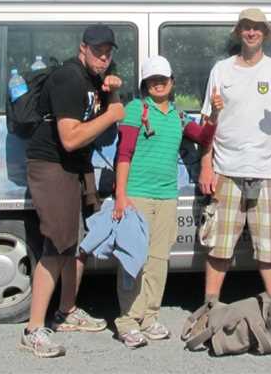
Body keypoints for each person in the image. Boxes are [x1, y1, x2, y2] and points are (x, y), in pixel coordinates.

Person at [197, 7, 271, 343]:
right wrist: (205, 163)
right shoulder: (221, 69)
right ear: (238, 32)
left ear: (265, 33)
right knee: (218, 245)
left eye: (257, 28)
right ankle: (210, 308)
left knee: (270, 249)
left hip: (267, 171)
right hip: (227, 169)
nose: (252, 32)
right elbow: (208, 121)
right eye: (246, 27)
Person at [20, 24, 125, 358]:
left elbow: (101, 109)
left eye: (108, 52)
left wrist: (111, 90)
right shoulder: (69, 78)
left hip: (74, 168)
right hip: (53, 166)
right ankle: (34, 330)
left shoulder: (92, 79)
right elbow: (70, 137)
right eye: (97, 51)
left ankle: (66, 312)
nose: (104, 57)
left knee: (74, 243)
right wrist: (111, 114)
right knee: (56, 246)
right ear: (83, 49)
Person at [112, 55, 223, 349]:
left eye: (163, 79)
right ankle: (127, 320)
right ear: (145, 85)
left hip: (166, 196)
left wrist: (215, 116)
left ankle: (149, 317)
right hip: (136, 193)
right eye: (153, 80)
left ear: (172, 82)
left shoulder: (177, 115)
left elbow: (203, 136)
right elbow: (124, 154)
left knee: (159, 260)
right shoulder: (137, 109)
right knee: (134, 258)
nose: (159, 83)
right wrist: (121, 195)